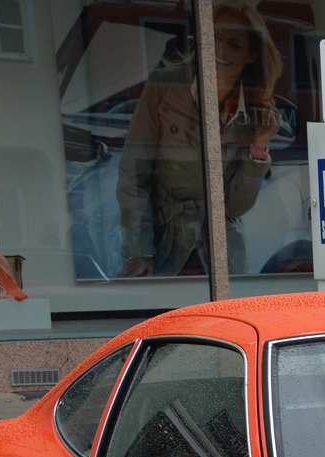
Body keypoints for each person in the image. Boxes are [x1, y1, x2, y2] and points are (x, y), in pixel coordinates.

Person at [117, 1, 281, 277]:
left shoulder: (256, 112)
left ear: (251, 55)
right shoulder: (164, 86)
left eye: (234, 44)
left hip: (223, 255)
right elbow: (134, 174)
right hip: (163, 244)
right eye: (214, 37)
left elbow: (235, 207)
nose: (220, 48)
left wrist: (259, 147)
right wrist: (139, 250)